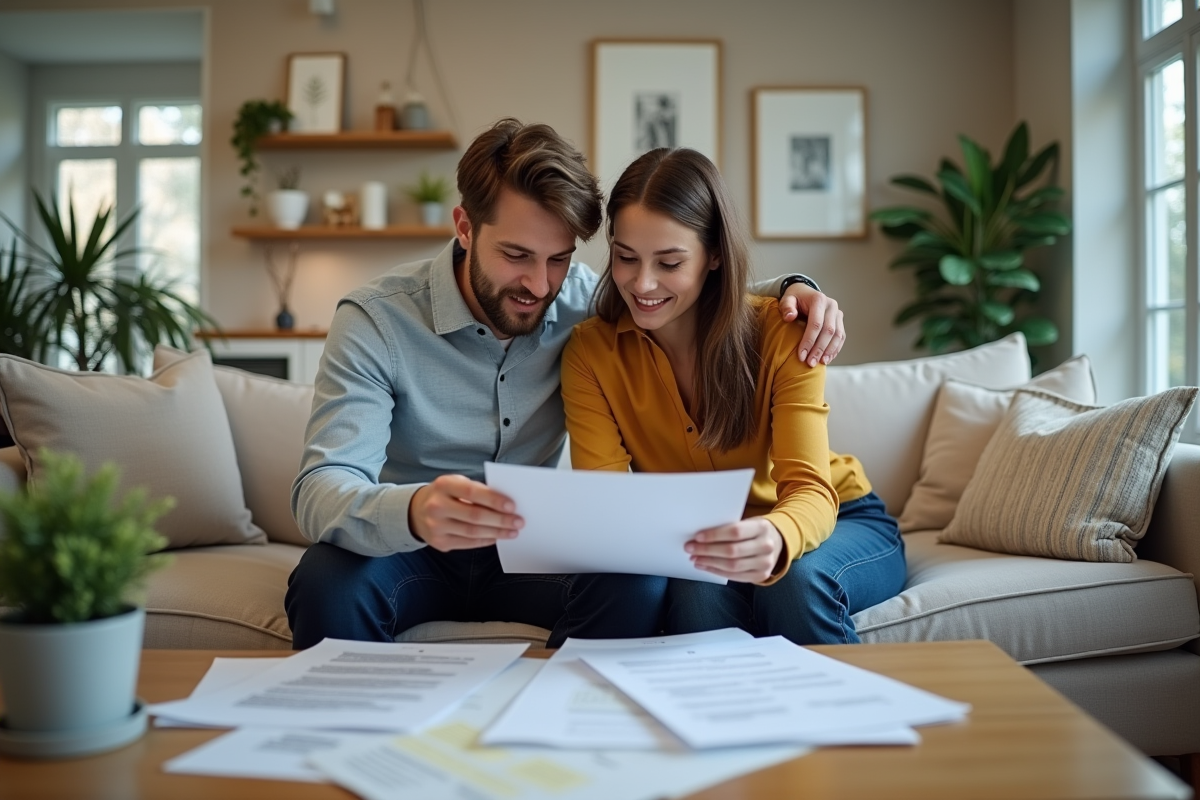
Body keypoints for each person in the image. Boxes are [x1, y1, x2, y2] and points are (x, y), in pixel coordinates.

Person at [285, 119, 849, 650]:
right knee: (327, 583)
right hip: (412, 542)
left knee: (640, 582)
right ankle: (353, 738)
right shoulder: (376, 320)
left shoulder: (584, 300)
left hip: (537, 549)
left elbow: (688, 289)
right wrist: (413, 511)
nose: (538, 283)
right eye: (515, 255)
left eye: (558, 259)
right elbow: (320, 488)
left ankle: (560, 721)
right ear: (464, 227)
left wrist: (795, 289)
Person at [561, 147, 905, 645]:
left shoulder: (784, 333)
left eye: (670, 261)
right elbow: (612, 507)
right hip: (706, 538)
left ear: (714, 255)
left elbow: (809, 491)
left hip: (835, 516)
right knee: (695, 594)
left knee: (794, 582)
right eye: (625, 257)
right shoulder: (591, 353)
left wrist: (775, 536)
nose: (643, 283)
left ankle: (845, 722)